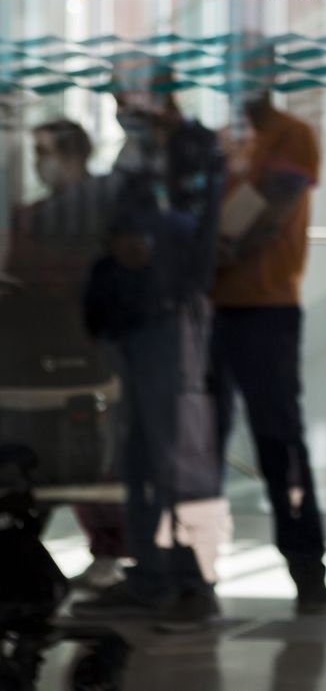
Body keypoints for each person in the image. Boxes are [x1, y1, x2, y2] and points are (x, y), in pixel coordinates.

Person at [74, 62, 227, 631]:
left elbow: (190, 231)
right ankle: (149, 575)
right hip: (135, 316)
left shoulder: (197, 151)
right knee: (138, 452)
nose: (120, 111)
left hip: (173, 314)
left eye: (127, 99)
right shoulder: (137, 155)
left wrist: (150, 245)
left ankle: (190, 580)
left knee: (177, 450)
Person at [209, 37, 326, 614]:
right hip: (210, 309)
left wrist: (215, 252)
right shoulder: (224, 143)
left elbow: (269, 211)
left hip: (266, 309)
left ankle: (307, 563)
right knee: (200, 443)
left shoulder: (292, 136)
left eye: (250, 66)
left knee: (278, 441)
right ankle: (194, 568)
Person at [3, 120, 125, 588]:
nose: (39, 162)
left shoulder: (96, 207)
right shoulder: (32, 214)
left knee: (93, 448)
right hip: (36, 348)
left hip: (88, 342)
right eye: (34, 152)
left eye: (46, 151)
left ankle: (111, 547)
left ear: (75, 154)